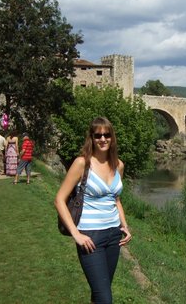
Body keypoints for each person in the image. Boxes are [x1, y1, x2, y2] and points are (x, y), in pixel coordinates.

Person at [55, 117, 132, 304]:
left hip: (114, 235)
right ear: (92, 138)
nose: (103, 139)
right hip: (90, 237)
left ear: (112, 137)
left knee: (100, 293)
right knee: (105, 298)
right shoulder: (82, 163)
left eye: (107, 134)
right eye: (98, 135)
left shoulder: (118, 165)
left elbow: (115, 199)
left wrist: (125, 226)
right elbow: (59, 200)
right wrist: (76, 234)